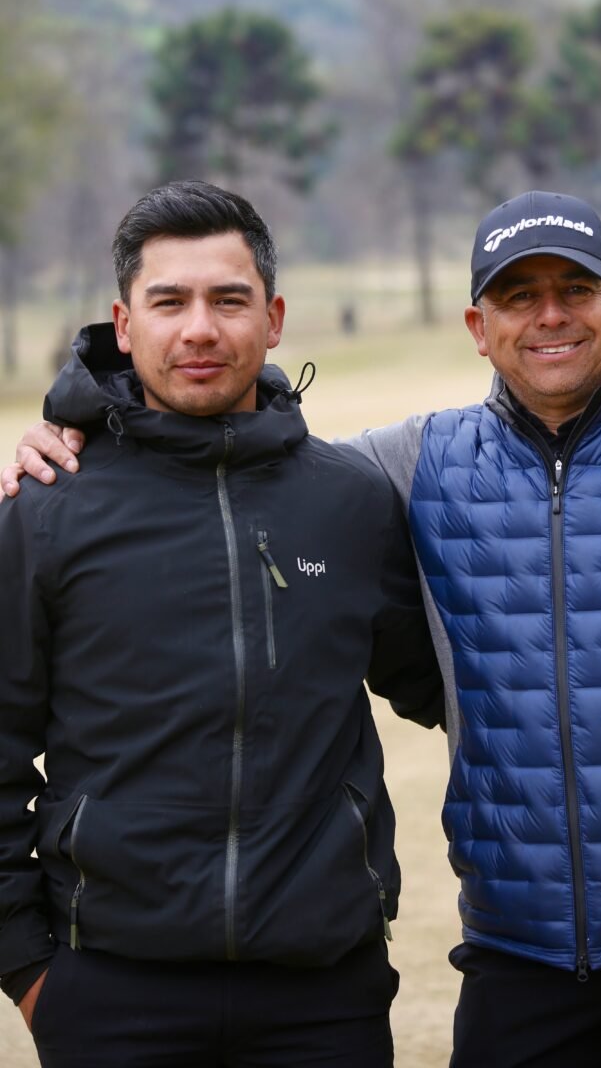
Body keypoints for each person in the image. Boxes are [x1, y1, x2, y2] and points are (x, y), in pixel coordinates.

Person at [8, 189, 601, 1068]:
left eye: (576, 290)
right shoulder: (408, 465)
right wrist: (76, 427)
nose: (550, 317)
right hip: (520, 952)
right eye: (519, 296)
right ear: (478, 327)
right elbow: (228, 470)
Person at [0, 179, 444, 1068]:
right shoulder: (47, 510)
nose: (199, 328)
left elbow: (446, 687)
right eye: (169, 302)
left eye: (229, 300)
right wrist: (28, 969)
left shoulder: (351, 502)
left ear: (273, 319)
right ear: (125, 324)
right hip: (110, 993)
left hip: (324, 996)